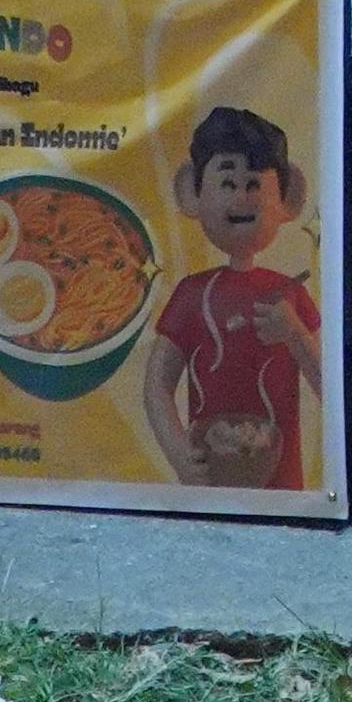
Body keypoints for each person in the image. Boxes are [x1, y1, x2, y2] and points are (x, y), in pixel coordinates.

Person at [143, 106, 325, 489]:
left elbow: (329, 387)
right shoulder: (192, 294)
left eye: (254, 185)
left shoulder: (291, 296)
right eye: (227, 184)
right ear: (191, 194)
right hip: (209, 477)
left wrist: (295, 335)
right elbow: (158, 386)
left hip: (282, 482)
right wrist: (179, 453)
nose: (241, 197)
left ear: (289, 199)